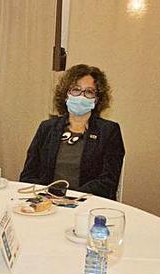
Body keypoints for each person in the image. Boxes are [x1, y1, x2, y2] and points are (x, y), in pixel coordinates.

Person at [19, 64, 125, 199]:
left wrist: (71, 197)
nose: (81, 96)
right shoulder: (47, 128)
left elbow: (108, 182)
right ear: (66, 95)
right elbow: (28, 175)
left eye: (89, 92)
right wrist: (47, 197)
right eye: (76, 90)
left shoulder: (109, 131)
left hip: (87, 204)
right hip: (46, 203)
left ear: (96, 99)